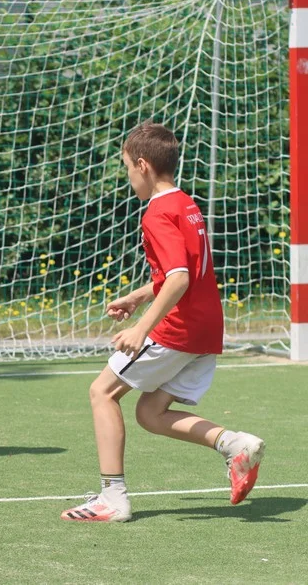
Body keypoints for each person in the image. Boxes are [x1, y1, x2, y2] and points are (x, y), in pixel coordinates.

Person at [61, 121, 265, 523]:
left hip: (178, 327)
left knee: (102, 392)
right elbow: (182, 271)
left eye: (127, 169)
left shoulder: (156, 212)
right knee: (150, 413)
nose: (129, 178)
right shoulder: (186, 205)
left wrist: (140, 329)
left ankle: (112, 498)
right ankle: (234, 445)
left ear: (143, 165)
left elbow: (179, 278)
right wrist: (138, 297)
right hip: (207, 329)